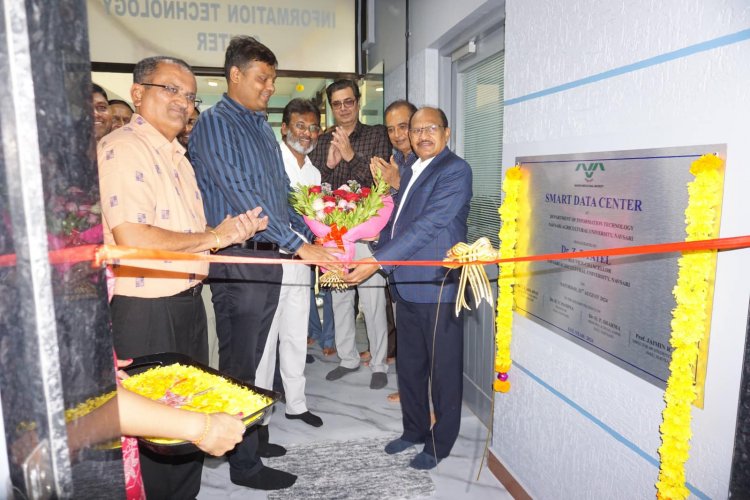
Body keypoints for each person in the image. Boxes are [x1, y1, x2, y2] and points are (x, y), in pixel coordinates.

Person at [98, 55, 266, 499]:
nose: (182, 102)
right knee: (155, 431)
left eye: (190, 96)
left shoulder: (180, 156)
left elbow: (191, 236)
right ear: (138, 93)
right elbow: (133, 237)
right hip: (146, 309)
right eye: (169, 89)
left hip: (189, 301)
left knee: (189, 418)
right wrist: (214, 236)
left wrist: (229, 233)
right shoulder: (123, 147)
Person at [189, 36, 339, 491]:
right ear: (234, 75)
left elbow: (279, 198)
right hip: (238, 261)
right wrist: (297, 244)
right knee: (239, 364)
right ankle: (244, 465)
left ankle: (250, 438)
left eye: (273, 79)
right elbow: (242, 197)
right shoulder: (215, 124)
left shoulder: (258, 125)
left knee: (257, 364)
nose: (270, 87)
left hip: (267, 258)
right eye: (262, 78)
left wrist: (313, 237)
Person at [345, 106, 473, 470]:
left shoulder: (455, 170)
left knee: (443, 372)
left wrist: (378, 261)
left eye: (431, 128)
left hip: (437, 286)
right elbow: (399, 223)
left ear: (447, 133)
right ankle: (414, 430)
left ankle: (439, 443)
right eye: (415, 130)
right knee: (410, 366)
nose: (422, 135)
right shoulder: (411, 169)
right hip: (406, 285)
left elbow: (430, 225)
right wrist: (367, 236)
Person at [308, 79, 391, 389]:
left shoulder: (376, 134)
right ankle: (347, 358)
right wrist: (330, 164)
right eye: (337, 104)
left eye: (348, 102)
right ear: (331, 107)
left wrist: (350, 156)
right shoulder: (322, 139)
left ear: (358, 102)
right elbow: (316, 184)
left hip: (366, 232)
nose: (343, 108)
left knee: (372, 301)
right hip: (333, 234)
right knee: (340, 299)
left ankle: (379, 362)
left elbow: (375, 181)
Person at [254, 98, 324, 428]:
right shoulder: (270, 159)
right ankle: (261, 417)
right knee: (267, 342)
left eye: (313, 127)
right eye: (300, 125)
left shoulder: (313, 171)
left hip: (302, 261)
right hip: (271, 257)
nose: (307, 133)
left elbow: (316, 217)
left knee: (297, 335)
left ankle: (296, 404)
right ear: (284, 128)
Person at [370, 99, 419, 403]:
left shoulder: (428, 160)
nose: (398, 134)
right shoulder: (397, 160)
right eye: (391, 129)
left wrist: (397, 183)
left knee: (422, 337)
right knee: (406, 331)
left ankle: (424, 398)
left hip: (420, 264)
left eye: (403, 126)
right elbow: (394, 210)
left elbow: (423, 212)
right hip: (396, 261)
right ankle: (410, 389)